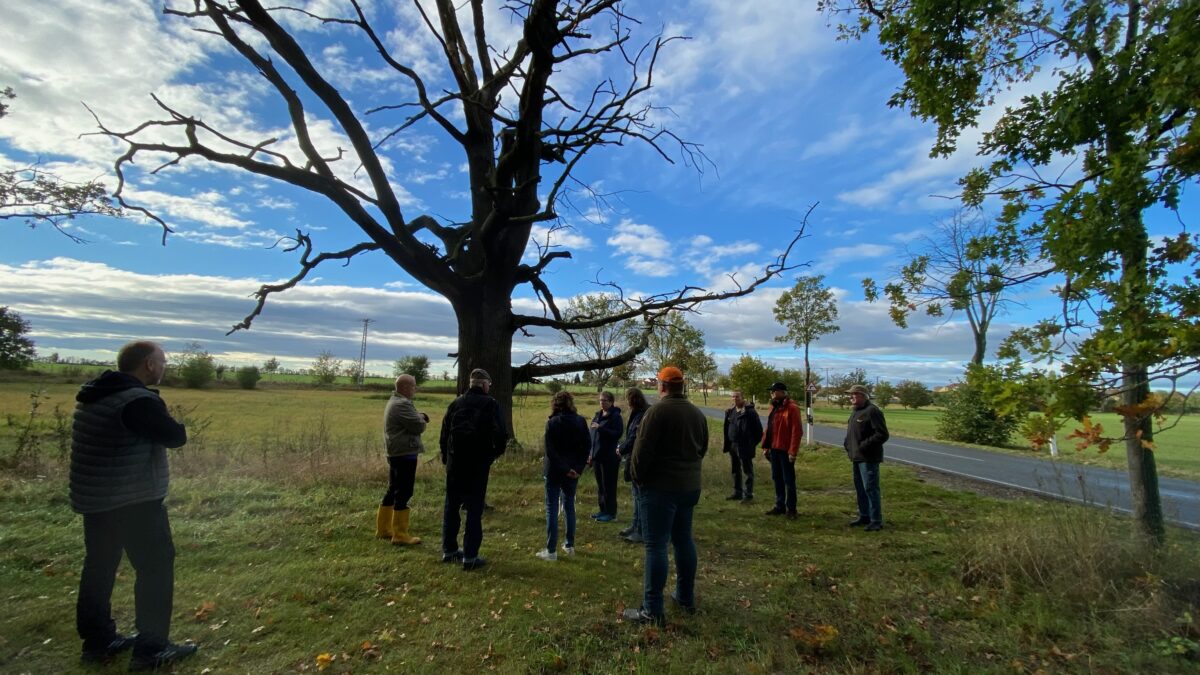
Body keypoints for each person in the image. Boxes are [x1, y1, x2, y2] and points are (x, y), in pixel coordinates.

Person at [69, 340, 197, 671]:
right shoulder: (137, 401)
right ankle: (151, 648)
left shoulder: (96, 394)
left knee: (99, 567)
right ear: (149, 366)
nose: (165, 366)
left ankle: (98, 641)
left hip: (96, 500)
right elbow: (175, 437)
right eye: (162, 361)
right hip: (133, 501)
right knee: (155, 568)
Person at [623, 366, 708, 625]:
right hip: (689, 488)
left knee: (656, 546)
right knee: (683, 540)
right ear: (682, 386)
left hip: (659, 490)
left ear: (661, 386)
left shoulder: (656, 412)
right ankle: (684, 597)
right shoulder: (697, 413)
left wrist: (638, 478)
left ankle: (652, 609)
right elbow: (701, 449)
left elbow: (641, 452)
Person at [439, 368, 507, 570]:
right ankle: (470, 556)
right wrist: (492, 456)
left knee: (451, 506)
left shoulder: (456, 403)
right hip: (477, 464)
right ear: (485, 384)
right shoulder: (491, 404)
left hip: (454, 463)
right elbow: (501, 434)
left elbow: (444, 434)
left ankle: (449, 550)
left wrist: (446, 457)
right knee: (474, 509)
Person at [535, 391, 591, 561]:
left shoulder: (552, 423)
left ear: (555, 404)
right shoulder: (581, 421)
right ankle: (569, 545)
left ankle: (551, 551)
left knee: (552, 508)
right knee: (569, 507)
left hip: (554, 471)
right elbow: (587, 447)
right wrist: (577, 468)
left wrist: (565, 468)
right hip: (573, 471)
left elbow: (550, 450)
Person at [377, 374, 429, 545]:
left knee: (393, 489)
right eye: (413, 386)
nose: (415, 389)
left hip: (396, 452)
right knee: (404, 491)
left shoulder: (395, 401)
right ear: (405, 387)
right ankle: (399, 534)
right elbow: (418, 426)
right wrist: (421, 418)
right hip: (404, 453)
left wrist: (417, 415)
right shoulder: (402, 404)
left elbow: (413, 419)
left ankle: (384, 529)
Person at [844, 384, 889, 532]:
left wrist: (863, 446)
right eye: (851, 394)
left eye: (854, 394)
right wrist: (848, 445)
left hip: (868, 458)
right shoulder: (856, 412)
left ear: (863, 395)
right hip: (856, 458)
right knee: (860, 488)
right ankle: (864, 516)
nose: (851, 397)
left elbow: (882, 434)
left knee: (871, 488)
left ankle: (876, 520)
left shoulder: (872, 411)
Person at [761, 381, 803, 519]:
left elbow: (797, 432)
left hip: (785, 450)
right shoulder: (773, 407)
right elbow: (770, 428)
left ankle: (791, 509)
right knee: (776, 478)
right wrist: (766, 446)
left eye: (774, 391)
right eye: (771, 391)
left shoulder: (792, 408)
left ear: (783, 392)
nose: (772, 393)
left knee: (788, 480)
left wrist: (792, 451)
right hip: (774, 448)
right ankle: (779, 506)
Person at [618, 387, 650, 543]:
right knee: (635, 495)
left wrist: (621, 449)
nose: (626, 402)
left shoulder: (643, 414)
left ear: (633, 399)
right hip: (633, 458)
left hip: (640, 460)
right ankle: (635, 525)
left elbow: (635, 438)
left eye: (627, 399)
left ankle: (641, 531)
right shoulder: (637, 413)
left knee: (640, 497)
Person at [587, 391, 623, 523]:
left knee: (609, 486)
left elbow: (617, 434)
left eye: (605, 400)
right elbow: (592, 436)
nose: (602, 402)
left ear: (611, 402)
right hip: (597, 456)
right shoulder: (597, 415)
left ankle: (611, 513)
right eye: (601, 400)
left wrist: (601, 428)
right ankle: (602, 510)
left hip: (610, 457)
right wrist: (590, 453)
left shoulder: (615, 416)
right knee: (600, 485)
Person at [722, 390, 763, 502]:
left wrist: (751, 444)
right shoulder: (731, 411)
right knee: (735, 470)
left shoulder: (750, 412)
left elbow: (759, 432)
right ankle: (737, 492)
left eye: (737, 397)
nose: (735, 399)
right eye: (733, 397)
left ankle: (748, 495)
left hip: (745, 446)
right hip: (733, 445)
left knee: (747, 471)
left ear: (743, 398)